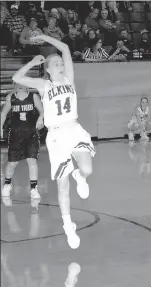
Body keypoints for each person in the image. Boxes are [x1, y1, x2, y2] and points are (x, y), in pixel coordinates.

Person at [12, 35, 96, 249]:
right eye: (55, 62)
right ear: (48, 68)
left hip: (74, 128)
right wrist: (31, 63)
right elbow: (17, 77)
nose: (60, 63)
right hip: (57, 136)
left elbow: (66, 48)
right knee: (62, 184)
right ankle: (68, 225)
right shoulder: (43, 85)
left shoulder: (69, 79)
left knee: (87, 168)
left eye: (61, 62)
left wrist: (43, 37)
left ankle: (80, 175)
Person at [0, 83, 44, 207]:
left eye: (22, 84)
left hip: (31, 134)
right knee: (12, 163)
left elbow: (42, 111)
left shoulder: (33, 97)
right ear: (14, 85)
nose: (19, 86)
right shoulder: (11, 98)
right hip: (15, 135)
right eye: (17, 84)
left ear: (26, 85)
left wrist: (41, 118)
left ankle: (34, 188)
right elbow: (3, 114)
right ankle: (7, 184)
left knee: (32, 161)